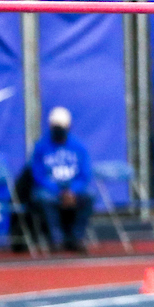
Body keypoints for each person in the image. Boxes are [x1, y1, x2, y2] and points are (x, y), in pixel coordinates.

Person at [30, 107, 94, 253]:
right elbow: (38, 175)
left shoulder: (79, 147)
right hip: (50, 189)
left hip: (73, 188)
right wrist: (59, 191)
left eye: (61, 127)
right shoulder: (41, 147)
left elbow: (85, 174)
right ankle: (56, 239)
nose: (58, 130)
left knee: (89, 196)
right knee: (44, 198)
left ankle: (76, 239)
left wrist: (72, 191)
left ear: (69, 127)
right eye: (55, 127)